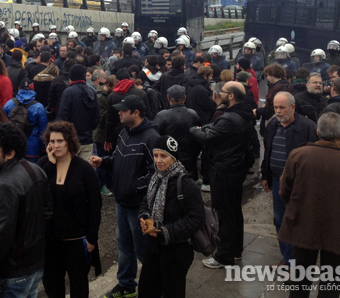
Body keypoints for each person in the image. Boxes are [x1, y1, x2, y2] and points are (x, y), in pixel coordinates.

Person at [278, 112, 340, 298]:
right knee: (331, 281)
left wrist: (297, 207)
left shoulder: (298, 155)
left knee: (301, 276)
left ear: (317, 132)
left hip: (304, 224)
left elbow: (285, 190)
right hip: (338, 229)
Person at [0, 122, 53, 297]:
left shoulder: (5, 186)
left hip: (14, 274)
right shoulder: (36, 170)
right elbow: (47, 214)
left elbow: (1, 237)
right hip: (34, 266)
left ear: (10, 153)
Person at [90, 95, 159, 298]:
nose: (118, 112)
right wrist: (104, 162)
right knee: (125, 247)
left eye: (123, 110)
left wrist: (133, 187)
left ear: (135, 113)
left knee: (145, 250)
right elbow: (119, 157)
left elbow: (156, 172)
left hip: (140, 206)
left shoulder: (151, 137)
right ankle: (126, 285)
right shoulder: (124, 132)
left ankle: (153, 287)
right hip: (122, 202)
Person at [190, 82, 253, 268]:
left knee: (224, 214)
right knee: (234, 212)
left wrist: (194, 130)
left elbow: (209, 138)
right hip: (235, 168)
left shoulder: (230, 117)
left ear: (231, 96)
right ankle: (235, 250)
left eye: (223, 92)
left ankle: (223, 255)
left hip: (225, 170)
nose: (218, 94)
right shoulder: (244, 113)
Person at [137, 135, 206, 298]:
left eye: (163, 156)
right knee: (146, 289)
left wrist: (165, 231)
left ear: (173, 158)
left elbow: (196, 218)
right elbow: (146, 201)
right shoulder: (155, 178)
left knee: (172, 291)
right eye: (155, 156)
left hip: (177, 250)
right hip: (154, 246)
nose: (158, 160)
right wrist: (144, 216)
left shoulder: (186, 184)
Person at [39, 121, 102, 298]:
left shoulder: (84, 169)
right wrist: (50, 165)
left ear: (69, 141)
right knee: (52, 286)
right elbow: (36, 192)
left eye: (60, 141)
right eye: (52, 141)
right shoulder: (45, 164)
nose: (56, 145)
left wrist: (92, 238)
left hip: (77, 240)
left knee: (79, 286)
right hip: (51, 241)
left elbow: (95, 206)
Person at [260, 92, 317, 268]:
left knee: (297, 220)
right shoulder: (272, 125)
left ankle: (298, 262)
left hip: (298, 183)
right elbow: (267, 151)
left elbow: (314, 158)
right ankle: (287, 258)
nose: (278, 111)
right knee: (279, 219)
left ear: (292, 107)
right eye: (275, 107)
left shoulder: (307, 127)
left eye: (282, 107)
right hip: (277, 180)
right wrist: (265, 176)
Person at [153, 84, 201, 180]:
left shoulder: (162, 115)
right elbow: (198, 136)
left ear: (168, 98)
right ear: (185, 97)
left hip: (169, 158)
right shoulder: (193, 114)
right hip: (189, 158)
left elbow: (156, 137)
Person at [56, 64, 100, 161]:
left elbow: (62, 117)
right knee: (86, 171)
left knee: (71, 172)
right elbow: (97, 117)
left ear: (70, 77)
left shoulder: (68, 92)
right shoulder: (92, 92)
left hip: (71, 140)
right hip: (87, 140)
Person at [3, 78, 48, 163]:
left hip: (13, 146)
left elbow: (2, 125)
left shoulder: (9, 104)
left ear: (19, 89)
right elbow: (43, 130)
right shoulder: (39, 107)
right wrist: (44, 148)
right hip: (32, 148)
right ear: (33, 89)